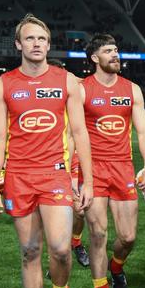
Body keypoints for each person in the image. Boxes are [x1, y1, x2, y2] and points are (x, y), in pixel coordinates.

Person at [0, 14, 94, 288]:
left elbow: (80, 132)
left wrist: (88, 181)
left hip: (55, 174)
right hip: (18, 177)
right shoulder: (2, 84)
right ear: (19, 44)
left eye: (42, 39)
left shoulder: (67, 80)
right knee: (30, 250)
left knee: (60, 249)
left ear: (49, 44)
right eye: (30, 38)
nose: (37, 43)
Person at [80, 33, 145, 288]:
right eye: (109, 51)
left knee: (129, 237)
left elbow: (143, 130)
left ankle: (117, 268)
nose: (116, 55)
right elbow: (74, 132)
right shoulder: (82, 89)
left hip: (122, 167)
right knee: (98, 234)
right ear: (95, 58)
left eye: (117, 50)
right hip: (93, 168)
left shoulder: (132, 89)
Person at [47, 58, 91, 268]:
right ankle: (56, 257)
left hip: (72, 156)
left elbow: (87, 80)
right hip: (49, 159)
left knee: (80, 210)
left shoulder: (72, 88)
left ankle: (75, 242)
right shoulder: (43, 96)